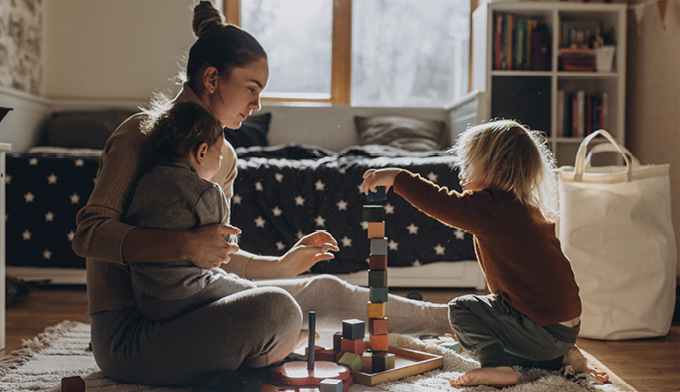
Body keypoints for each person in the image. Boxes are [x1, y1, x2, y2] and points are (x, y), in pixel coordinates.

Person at [72, 1, 449, 387]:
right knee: (276, 311)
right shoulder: (139, 133)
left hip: (195, 306)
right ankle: (260, 352)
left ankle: (453, 319)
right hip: (131, 335)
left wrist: (280, 266)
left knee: (322, 289)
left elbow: (214, 256)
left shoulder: (225, 157)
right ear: (212, 79)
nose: (257, 105)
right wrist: (184, 245)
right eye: (252, 89)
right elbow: (89, 234)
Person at [361, 119, 609, 388]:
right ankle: (561, 356)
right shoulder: (525, 207)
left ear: (499, 167)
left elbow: (439, 201)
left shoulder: (491, 207)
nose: (460, 173)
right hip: (565, 328)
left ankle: (497, 367)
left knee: (462, 309)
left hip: (541, 328)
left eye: (467, 165)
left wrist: (397, 177)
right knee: (495, 331)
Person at [125, 101, 252, 322]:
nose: (221, 161)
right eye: (219, 154)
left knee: (222, 278)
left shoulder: (143, 182)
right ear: (202, 152)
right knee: (254, 294)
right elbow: (225, 244)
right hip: (188, 291)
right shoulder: (207, 191)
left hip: (147, 298)